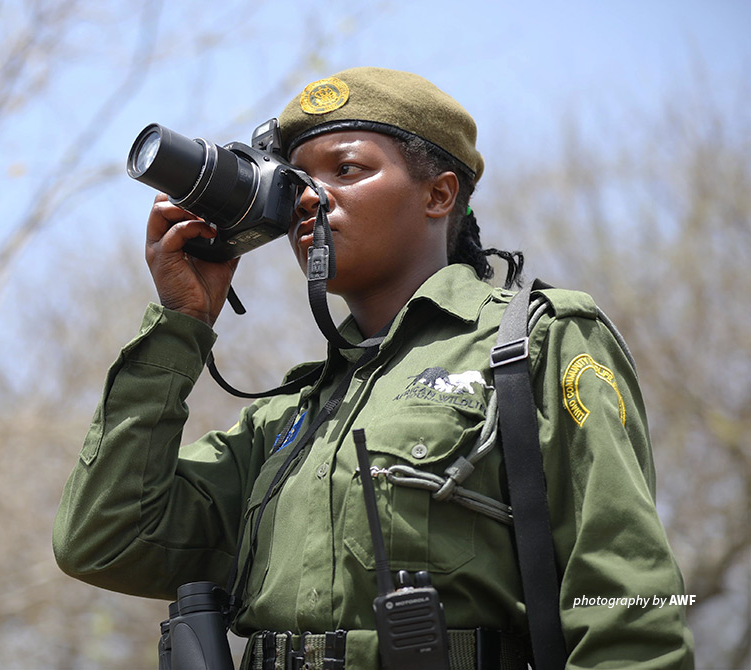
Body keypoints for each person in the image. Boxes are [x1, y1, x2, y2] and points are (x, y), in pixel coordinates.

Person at [53, 67, 694, 668]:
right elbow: (103, 539)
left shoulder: (533, 345)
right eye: (296, 178)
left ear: (439, 195)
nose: (309, 198)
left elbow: (627, 603)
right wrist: (180, 327)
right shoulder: (286, 420)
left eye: (346, 169)